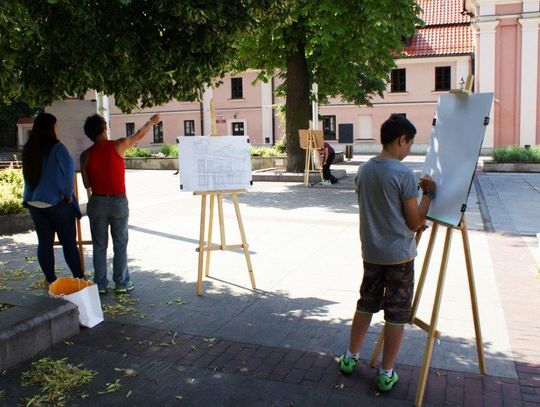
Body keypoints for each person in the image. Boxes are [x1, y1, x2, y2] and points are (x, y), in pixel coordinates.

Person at [338, 115, 436, 392]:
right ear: (401, 139)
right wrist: (427, 195)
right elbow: (415, 222)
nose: (409, 150)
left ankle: (349, 358)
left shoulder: (365, 169)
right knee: (396, 315)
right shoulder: (403, 174)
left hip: (371, 252)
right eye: (410, 143)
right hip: (399, 257)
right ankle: (385, 373)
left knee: (365, 305)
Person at [80, 113, 160, 294]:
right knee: (120, 243)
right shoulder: (118, 144)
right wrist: (152, 121)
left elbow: (86, 184)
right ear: (104, 128)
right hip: (118, 201)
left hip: (97, 202)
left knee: (99, 245)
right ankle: (122, 282)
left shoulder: (85, 155)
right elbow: (139, 134)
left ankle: (100, 284)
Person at [22, 113, 85, 284]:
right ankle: (79, 278)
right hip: (56, 202)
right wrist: (67, 192)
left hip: (33, 202)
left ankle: (51, 280)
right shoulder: (57, 147)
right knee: (69, 243)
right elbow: (70, 167)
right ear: (51, 128)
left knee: (44, 243)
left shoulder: (28, 149)